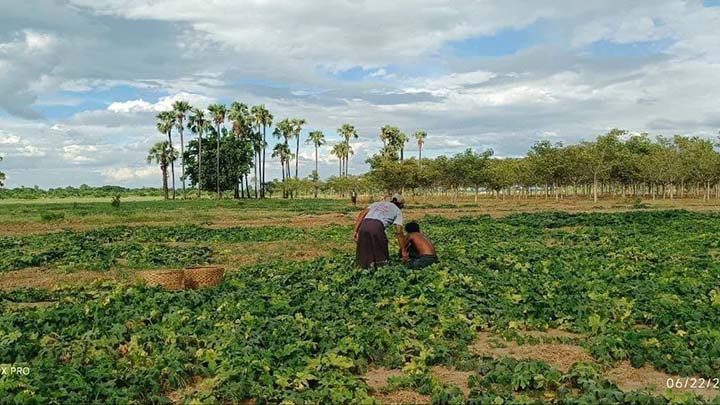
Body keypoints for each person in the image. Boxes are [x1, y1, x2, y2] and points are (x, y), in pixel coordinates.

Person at [354, 194, 407, 268]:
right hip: (376, 226)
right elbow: (399, 232)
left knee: (364, 250)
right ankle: (381, 270)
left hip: (364, 225)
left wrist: (356, 231)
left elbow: (361, 214)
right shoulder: (397, 210)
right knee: (381, 251)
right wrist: (403, 251)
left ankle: (364, 269)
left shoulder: (377, 203)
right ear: (401, 205)